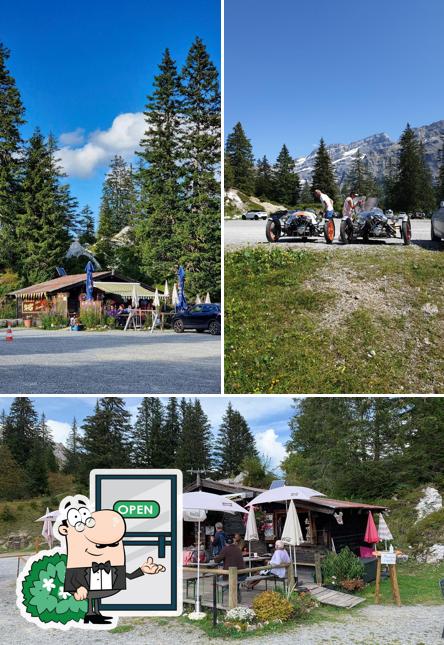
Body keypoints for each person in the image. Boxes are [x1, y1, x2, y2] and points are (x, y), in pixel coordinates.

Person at [59, 496, 165, 625]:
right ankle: (90, 614)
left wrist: (142, 570)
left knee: (96, 596)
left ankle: (95, 614)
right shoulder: (77, 566)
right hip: (86, 588)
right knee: (92, 596)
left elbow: (128, 576)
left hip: (102, 586)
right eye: (99, 545)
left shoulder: (113, 566)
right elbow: (72, 579)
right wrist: (77, 588)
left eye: (114, 544)